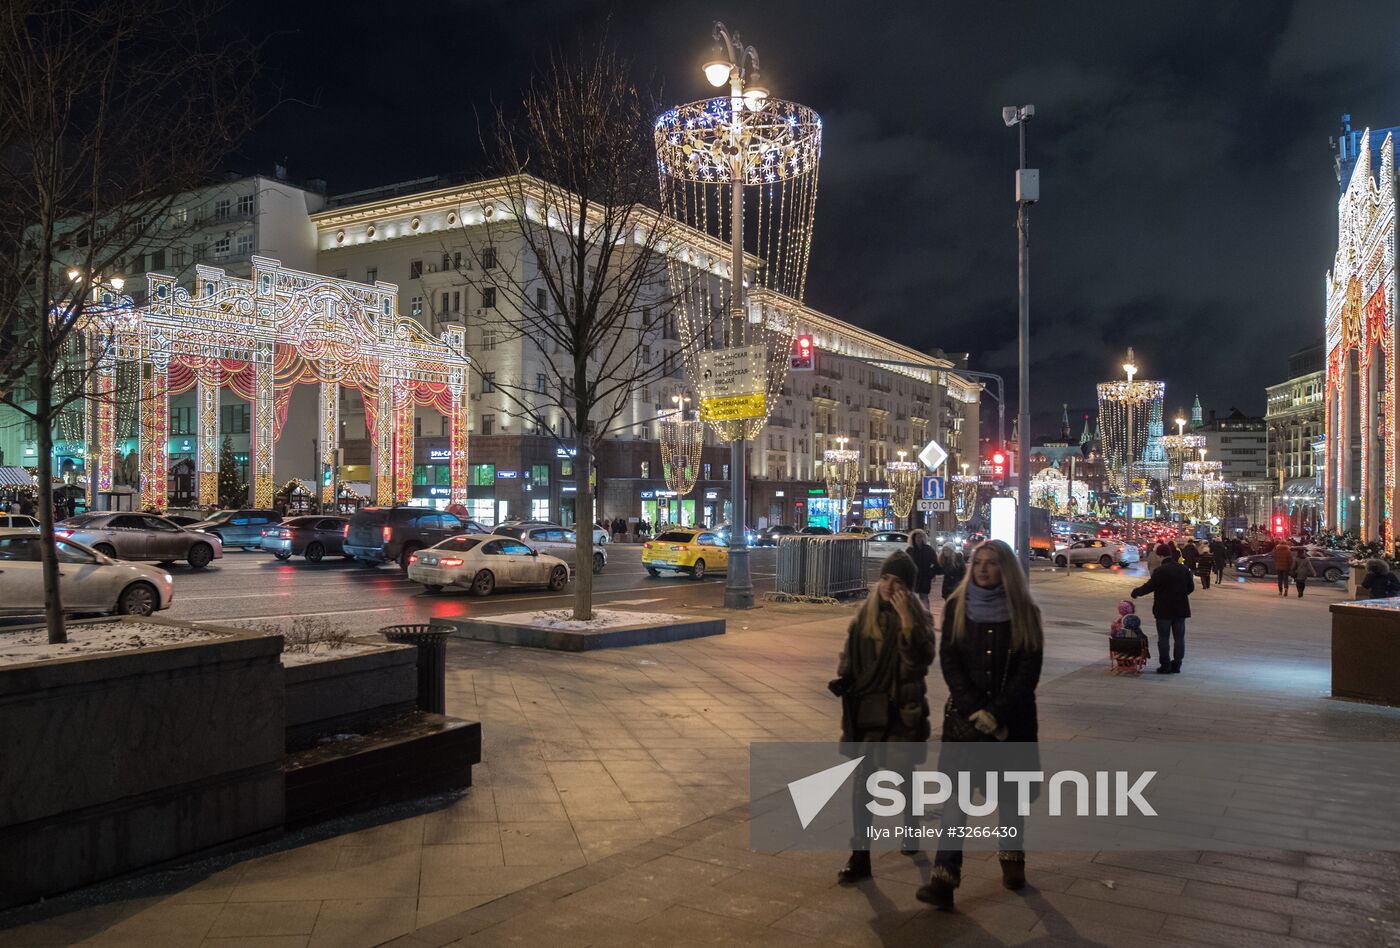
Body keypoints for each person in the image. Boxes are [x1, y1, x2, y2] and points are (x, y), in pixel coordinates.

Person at [916, 539, 1043, 911]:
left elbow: (1028, 671)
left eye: (992, 563)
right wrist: (976, 710)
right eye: (979, 562)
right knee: (957, 800)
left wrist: (997, 713)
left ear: (1007, 569)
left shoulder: (1024, 611)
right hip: (964, 721)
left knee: (1009, 796)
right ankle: (944, 876)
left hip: (1013, 721)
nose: (984, 569)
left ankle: (1012, 858)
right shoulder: (958, 605)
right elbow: (950, 662)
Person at [829, 550, 934, 884]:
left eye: (898, 581)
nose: (890, 586)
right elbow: (850, 657)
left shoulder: (918, 617)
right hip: (868, 712)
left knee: (903, 776)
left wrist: (906, 623)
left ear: (908, 588)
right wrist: (844, 678)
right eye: (886, 578)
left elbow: (919, 663)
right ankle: (860, 855)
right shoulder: (865, 616)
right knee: (864, 781)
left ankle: (912, 825)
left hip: (901, 710)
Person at [1131, 543, 1194, 674]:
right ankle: (1177, 665)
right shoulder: (1183, 569)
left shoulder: (1160, 571)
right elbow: (1190, 588)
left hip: (1164, 610)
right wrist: (1180, 595)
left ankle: (1165, 665)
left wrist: (1136, 592)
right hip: (1180, 609)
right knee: (1179, 639)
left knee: (1163, 639)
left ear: (1159, 556)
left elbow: (1149, 586)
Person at [907, 529, 941, 613]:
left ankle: (926, 617)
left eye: (920, 536)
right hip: (913, 579)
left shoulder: (928, 549)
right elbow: (906, 564)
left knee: (924, 599)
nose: (919, 538)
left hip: (924, 578)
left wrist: (930, 574)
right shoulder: (909, 550)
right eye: (917, 537)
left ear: (923, 538)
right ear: (913, 538)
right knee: (912, 600)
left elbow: (935, 563)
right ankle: (914, 618)